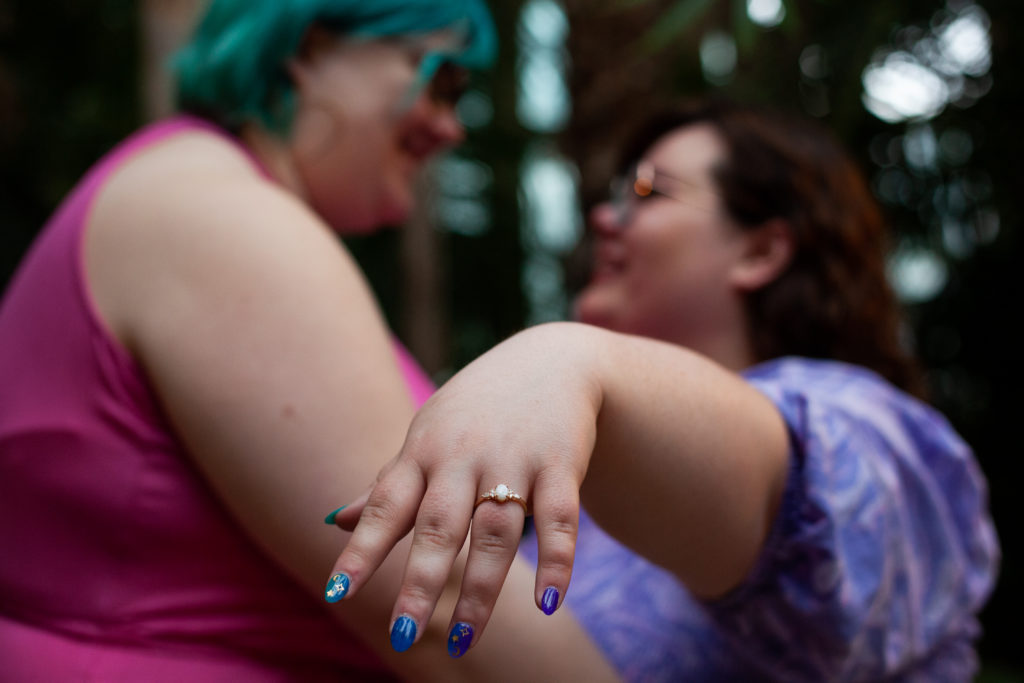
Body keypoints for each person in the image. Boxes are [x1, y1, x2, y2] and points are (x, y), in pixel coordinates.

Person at [0, 1, 619, 680]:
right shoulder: (222, 217)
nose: (451, 127)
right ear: (312, 48)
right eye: (443, 81)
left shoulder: (192, 187)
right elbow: (431, 593)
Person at [327, 99, 1001, 681]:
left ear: (761, 252)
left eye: (649, 192)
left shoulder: (868, 425)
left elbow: (787, 487)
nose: (604, 216)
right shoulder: (581, 497)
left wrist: (566, 357)